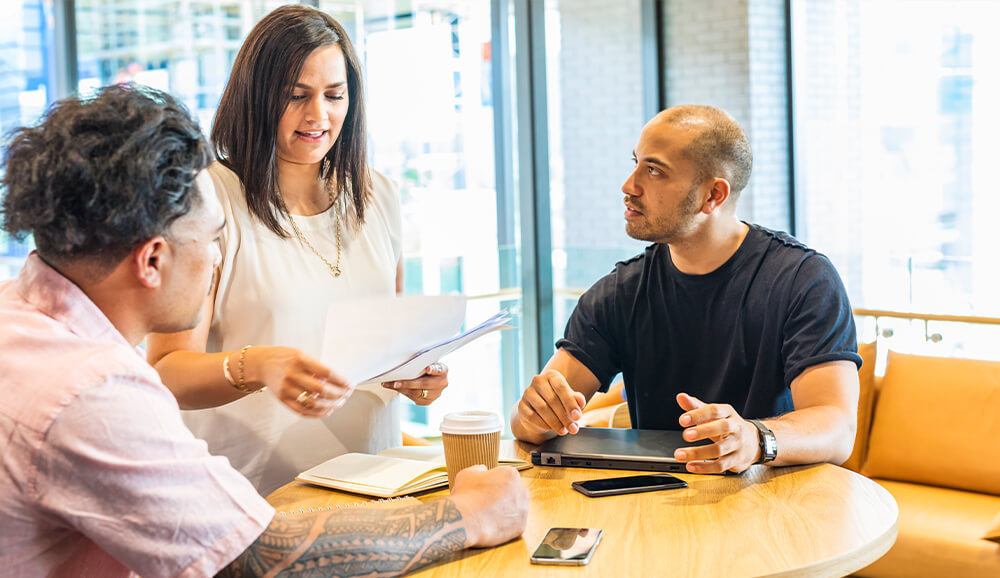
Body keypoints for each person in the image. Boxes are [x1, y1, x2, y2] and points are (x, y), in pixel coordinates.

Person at [0, 83, 527, 577]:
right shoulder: (92, 391)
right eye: (211, 242)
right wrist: (469, 517)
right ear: (153, 260)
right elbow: (257, 556)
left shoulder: (21, 319)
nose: (214, 261)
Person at [146, 5, 448, 495]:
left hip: (379, 483)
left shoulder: (378, 195)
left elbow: (391, 344)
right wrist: (260, 365)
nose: (319, 116)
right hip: (258, 497)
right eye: (296, 96)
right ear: (257, 97)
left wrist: (417, 376)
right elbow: (165, 371)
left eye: (334, 95)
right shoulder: (209, 199)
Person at [511, 105, 861, 474]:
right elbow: (529, 422)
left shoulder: (803, 280)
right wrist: (535, 414)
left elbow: (837, 426)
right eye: (636, 163)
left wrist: (755, 439)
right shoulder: (618, 294)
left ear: (713, 195)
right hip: (656, 508)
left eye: (654, 171)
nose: (629, 186)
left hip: (771, 506)